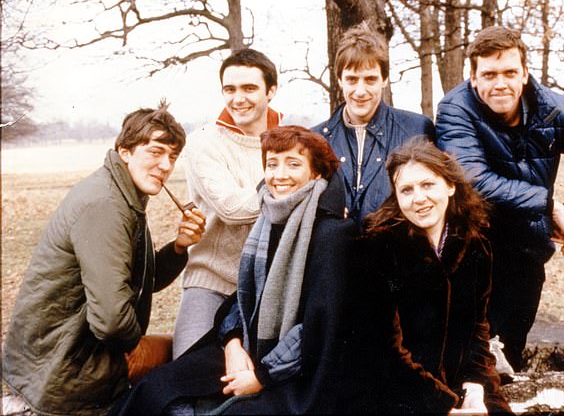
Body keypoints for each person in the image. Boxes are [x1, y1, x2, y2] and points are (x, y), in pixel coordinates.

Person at [109, 126, 357, 416]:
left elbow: (319, 327)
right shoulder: (268, 219)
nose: (279, 175)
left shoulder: (333, 234)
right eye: (272, 164)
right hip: (251, 347)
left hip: (297, 371)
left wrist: (262, 377)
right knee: (157, 388)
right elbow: (245, 295)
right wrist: (232, 344)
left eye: (293, 164)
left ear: (316, 174)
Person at [435, 26, 564, 371]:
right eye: (489, 74)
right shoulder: (455, 109)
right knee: (465, 360)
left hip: (527, 251)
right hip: (471, 251)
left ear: (525, 74)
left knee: (509, 359)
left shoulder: (551, 109)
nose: (500, 84)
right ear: (474, 77)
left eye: (510, 72)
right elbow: (472, 179)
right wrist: (548, 204)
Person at [2, 100, 207, 416]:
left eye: (173, 156)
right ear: (125, 151)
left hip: (70, 357)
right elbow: (112, 323)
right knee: (192, 361)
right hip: (68, 370)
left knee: (185, 352)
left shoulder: (123, 194)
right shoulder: (107, 206)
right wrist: (131, 351)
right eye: (155, 152)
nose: (166, 165)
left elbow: (135, 282)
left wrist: (178, 248)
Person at [346, 137, 511, 414]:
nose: (419, 198)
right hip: (399, 392)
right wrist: (442, 405)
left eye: (427, 185)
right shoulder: (378, 248)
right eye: (406, 190)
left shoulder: (475, 244)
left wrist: (476, 387)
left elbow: (478, 332)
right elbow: (384, 350)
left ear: (449, 186)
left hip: (461, 385)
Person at [172, 49, 284, 359]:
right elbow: (232, 209)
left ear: (270, 91)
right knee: (184, 373)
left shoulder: (290, 140)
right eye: (230, 89)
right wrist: (284, 185)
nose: (238, 99)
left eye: (249, 88)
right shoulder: (204, 142)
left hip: (269, 286)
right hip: (212, 281)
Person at [312, 22, 435, 225]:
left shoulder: (416, 130)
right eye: (352, 79)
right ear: (340, 80)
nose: (360, 91)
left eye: (370, 79)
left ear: (384, 79)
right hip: (336, 254)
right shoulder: (316, 140)